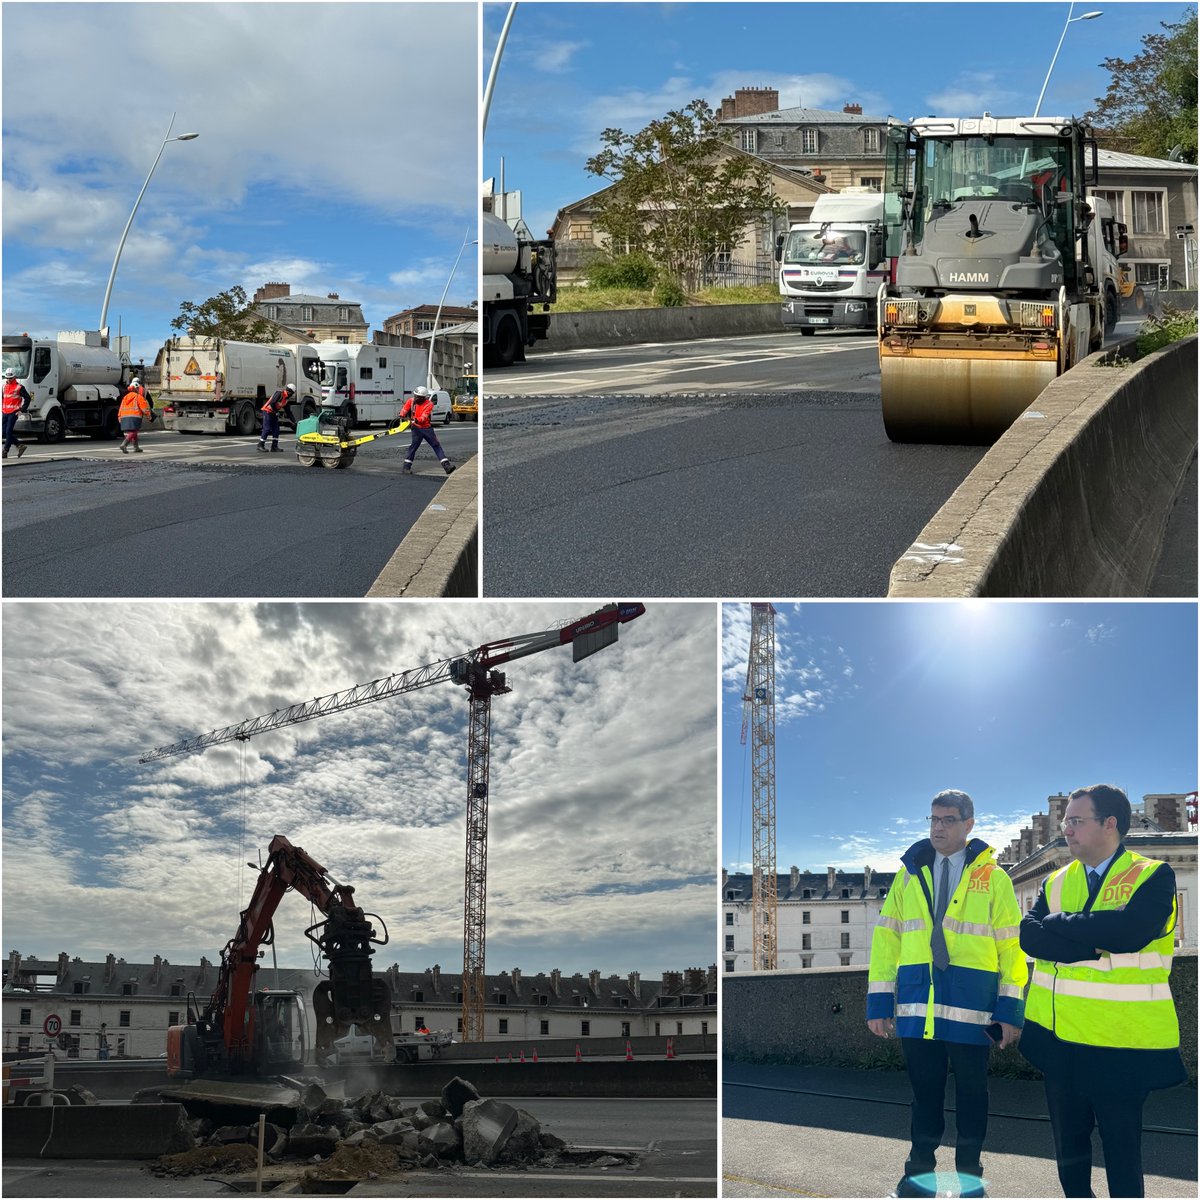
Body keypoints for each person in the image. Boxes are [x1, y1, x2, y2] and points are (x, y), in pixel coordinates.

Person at [1019, 785, 1185, 1199]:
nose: (1066, 831)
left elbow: (1129, 932)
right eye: (1065, 822)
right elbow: (1030, 938)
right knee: (1069, 1154)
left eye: (1076, 821)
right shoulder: (1056, 879)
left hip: (1119, 1045)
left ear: (1110, 824)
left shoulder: (1153, 875)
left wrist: (1058, 923)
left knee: (1123, 1156)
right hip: (1059, 1041)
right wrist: (1092, 940)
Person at [867, 789, 1025, 1198]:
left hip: (974, 1009)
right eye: (933, 819)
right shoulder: (908, 873)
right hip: (919, 1007)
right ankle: (918, 1177)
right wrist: (880, 1002)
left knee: (973, 1100)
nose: (938, 827)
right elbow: (887, 940)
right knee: (924, 1099)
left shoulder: (994, 878)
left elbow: (1012, 947)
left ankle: (970, 1180)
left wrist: (1009, 1010)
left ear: (969, 824)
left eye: (948, 820)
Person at [396, 386, 454, 475]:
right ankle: (406, 468)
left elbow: (424, 417)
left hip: (426, 428)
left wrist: (415, 420)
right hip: (416, 429)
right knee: (413, 447)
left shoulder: (429, 404)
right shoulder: (411, 401)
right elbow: (405, 409)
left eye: (418, 397)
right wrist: (401, 415)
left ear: (423, 398)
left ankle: (447, 467)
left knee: (436, 445)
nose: (415, 398)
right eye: (415, 395)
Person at [3, 366, 32, 459]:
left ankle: (5, 451)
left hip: (14, 412)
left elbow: (28, 398)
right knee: (3, 432)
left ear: (14, 377)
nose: (8, 380)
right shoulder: (4, 386)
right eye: (7, 378)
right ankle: (20, 446)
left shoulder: (19, 387)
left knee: (8, 432)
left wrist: (22, 410)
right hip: (4, 412)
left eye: (10, 378)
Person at [118, 378, 152, 453]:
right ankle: (124, 444)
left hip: (124, 417)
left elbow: (121, 408)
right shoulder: (138, 397)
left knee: (133, 431)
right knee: (134, 432)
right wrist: (148, 415)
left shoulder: (125, 397)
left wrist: (119, 416)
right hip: (135, 416)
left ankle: (136, 448)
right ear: (136, 388)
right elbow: (144, 408)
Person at [259, 384, 293, 452]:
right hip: (267, 411)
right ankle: (260, 445)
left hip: (273, 413)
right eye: (292, 393)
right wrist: (276, 411)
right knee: (267, 429)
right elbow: (272, 403)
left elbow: (288, 411)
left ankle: (274, 447)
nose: (291, 394)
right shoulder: (279, 393)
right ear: (290, 392)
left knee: (276, 429)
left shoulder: (286, 399)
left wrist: (294, 421)